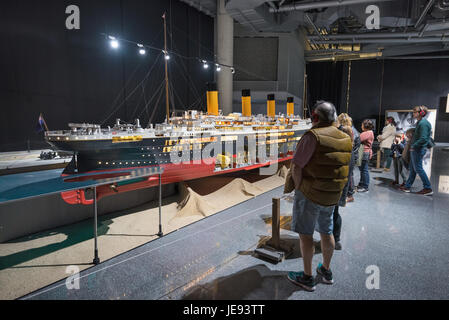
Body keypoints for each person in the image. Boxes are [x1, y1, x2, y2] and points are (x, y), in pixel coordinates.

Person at [287, 101, 352, 291]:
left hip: (310, 193)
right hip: (331, 195)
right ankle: (326, 270)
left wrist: (299, 187)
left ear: (315, 117)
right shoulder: (345, 137)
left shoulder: (312, 136)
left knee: (305, 235)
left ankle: (306, 277)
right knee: (327, 231)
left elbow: (297, 166)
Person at [400, 106, 433, 195]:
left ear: (421, 113)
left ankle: (428, 188)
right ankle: (407, 186)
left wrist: (414, 145)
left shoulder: (423, 123)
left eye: (415, 112)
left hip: (418, 149)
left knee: (418, 169)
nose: (413, 113)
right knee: (412, 169)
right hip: (415, 149)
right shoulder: (420, 122)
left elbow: (424, 139)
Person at [332, 123, 354, 251]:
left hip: (336, 186)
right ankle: (336, 239)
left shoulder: (341, 151)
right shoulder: (349, 149)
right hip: (342, 186)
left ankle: (333, 240)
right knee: (335, 213)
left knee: (332, 214)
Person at [337, 113, 361, 203]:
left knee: (348, 176)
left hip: (349, 156)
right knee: (348, 176)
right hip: (350, 156)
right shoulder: (351, 130)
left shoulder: (348, 131)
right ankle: (347, 195)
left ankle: (349, 195)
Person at [357, 119, 374, 192]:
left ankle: (365, 186)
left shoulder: (367, 133)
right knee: (363, 169)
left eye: (362, 125)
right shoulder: (369, 132)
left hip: (364, 152)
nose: (361, 126)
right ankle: (362, 184)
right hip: (365, 151)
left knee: (364, 170)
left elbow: (357, 139)